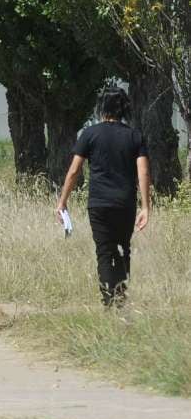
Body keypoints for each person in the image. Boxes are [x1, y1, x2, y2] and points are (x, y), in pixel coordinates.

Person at [55, 86, 150, 308]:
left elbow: (74, 171)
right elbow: (143, 172)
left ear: (101, 107)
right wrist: (146, 207)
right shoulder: (135, 136)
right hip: (125, 203)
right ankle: (120, 296)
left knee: (105, 251)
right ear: (125, 108)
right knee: (123, 248)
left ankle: (109, 300)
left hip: (98, 204)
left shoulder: (89, 134)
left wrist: (62, 201)